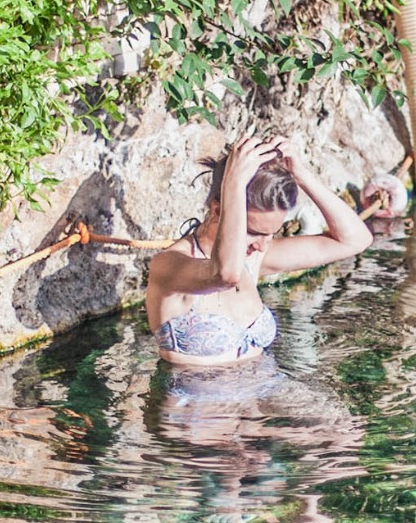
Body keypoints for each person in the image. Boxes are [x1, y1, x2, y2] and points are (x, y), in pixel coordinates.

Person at [146, 137, 373, 366]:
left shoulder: (254, 259)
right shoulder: (169, 265)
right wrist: (233, 185)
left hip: (265, 395)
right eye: (254, 232)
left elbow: (355, 241)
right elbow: (225, 275)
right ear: (217, 210)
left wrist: (302, 174)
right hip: (198, 401)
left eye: (272, 233)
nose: (263, 245)